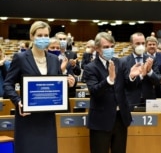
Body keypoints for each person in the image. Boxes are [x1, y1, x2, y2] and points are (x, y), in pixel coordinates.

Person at [3, 21, 75, 153]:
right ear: (31, 36)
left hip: (47, 119)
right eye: (39, 35)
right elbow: (8, 84)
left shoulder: (54, 59)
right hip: (27, 117)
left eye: (46, 35)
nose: (43, 38)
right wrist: (18, 101)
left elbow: (56, 85)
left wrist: (68, 83)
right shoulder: (20, 57)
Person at [83, 32, 132, 153]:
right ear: (97, 49)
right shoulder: (90, 67)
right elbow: (94, 91)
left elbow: (129, 86)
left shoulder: (120, 63)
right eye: (106, 47)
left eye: (111, 46)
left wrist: (133, 77)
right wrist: (109, 80)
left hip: (120, 118)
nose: (110, 49)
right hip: (100, 121)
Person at [120, 32, 161, 110]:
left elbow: (158, 81)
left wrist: (149, 72)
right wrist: (132, 77)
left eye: (142, 43)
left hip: (149, 101)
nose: (141, 46)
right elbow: (122, 84)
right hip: (130, 101)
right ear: (131, 44)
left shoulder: (151, 59)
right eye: (137, 43)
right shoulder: (123, 61)